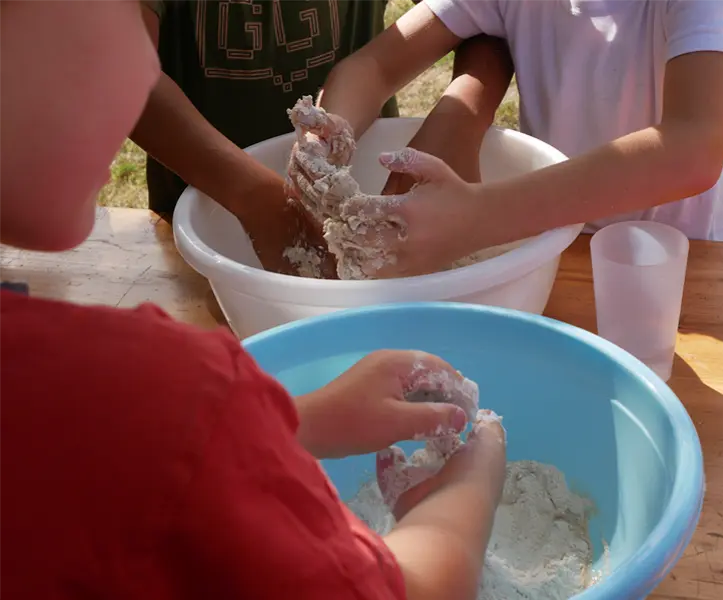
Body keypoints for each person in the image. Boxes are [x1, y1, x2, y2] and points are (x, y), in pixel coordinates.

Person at [0, 2, 506, 599]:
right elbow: (405, 591)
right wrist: (463, 491)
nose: (148, 67)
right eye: (117, 18)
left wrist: (291, 422)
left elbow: (93, 465)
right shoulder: (147, 388)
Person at [290, 0, 723, 278]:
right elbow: (371, 67)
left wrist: (476, 217)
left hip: (672, 274)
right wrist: (323, 136)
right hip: (553, 257)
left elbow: (693, 147)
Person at [133, 1, 512, 276]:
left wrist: (456, 121)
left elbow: (485, 19)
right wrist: (257, 199)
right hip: (206, 214)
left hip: (374, 188)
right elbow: (112, 64)